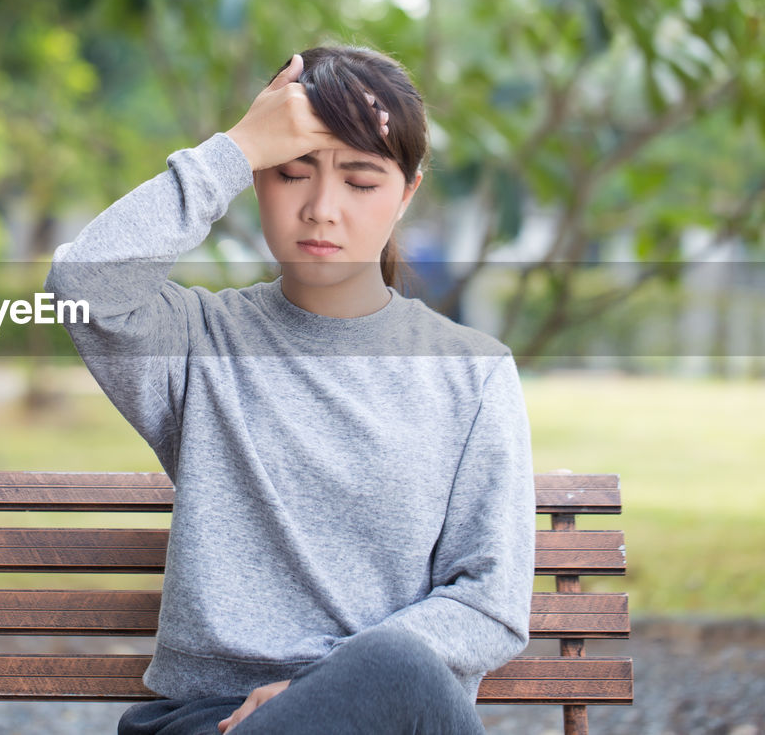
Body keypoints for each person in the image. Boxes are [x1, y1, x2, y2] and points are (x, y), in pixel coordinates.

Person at [42, 45, 535, 734]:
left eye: (361, 181)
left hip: (386, 716)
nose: (322, 209)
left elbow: (491, 602)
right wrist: (236, 147)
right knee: (393, 666)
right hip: (212, 725)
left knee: (396, 666)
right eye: (292, 172)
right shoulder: (199, 343)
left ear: (408, 193)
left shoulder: (473, 374)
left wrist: (323, 689)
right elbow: (82, 287)